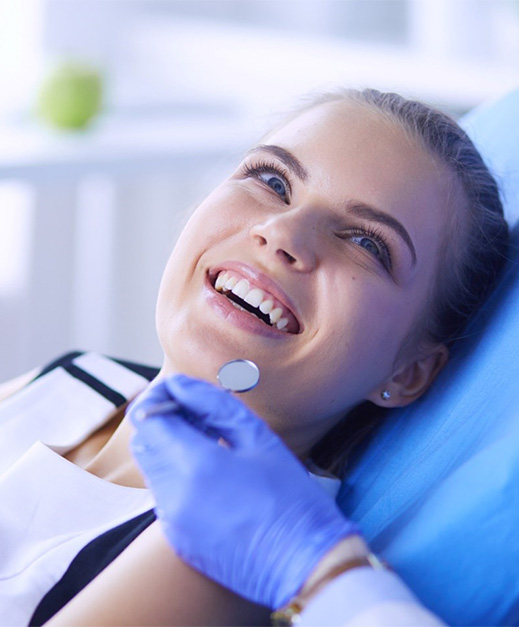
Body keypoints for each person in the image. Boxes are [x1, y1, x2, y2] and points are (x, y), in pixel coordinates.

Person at [0, 88, 508, 626]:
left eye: (367, 243)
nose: (283, 232)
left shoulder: (218, 556)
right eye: (272, 181)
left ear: (407, 372)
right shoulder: (75, 376)